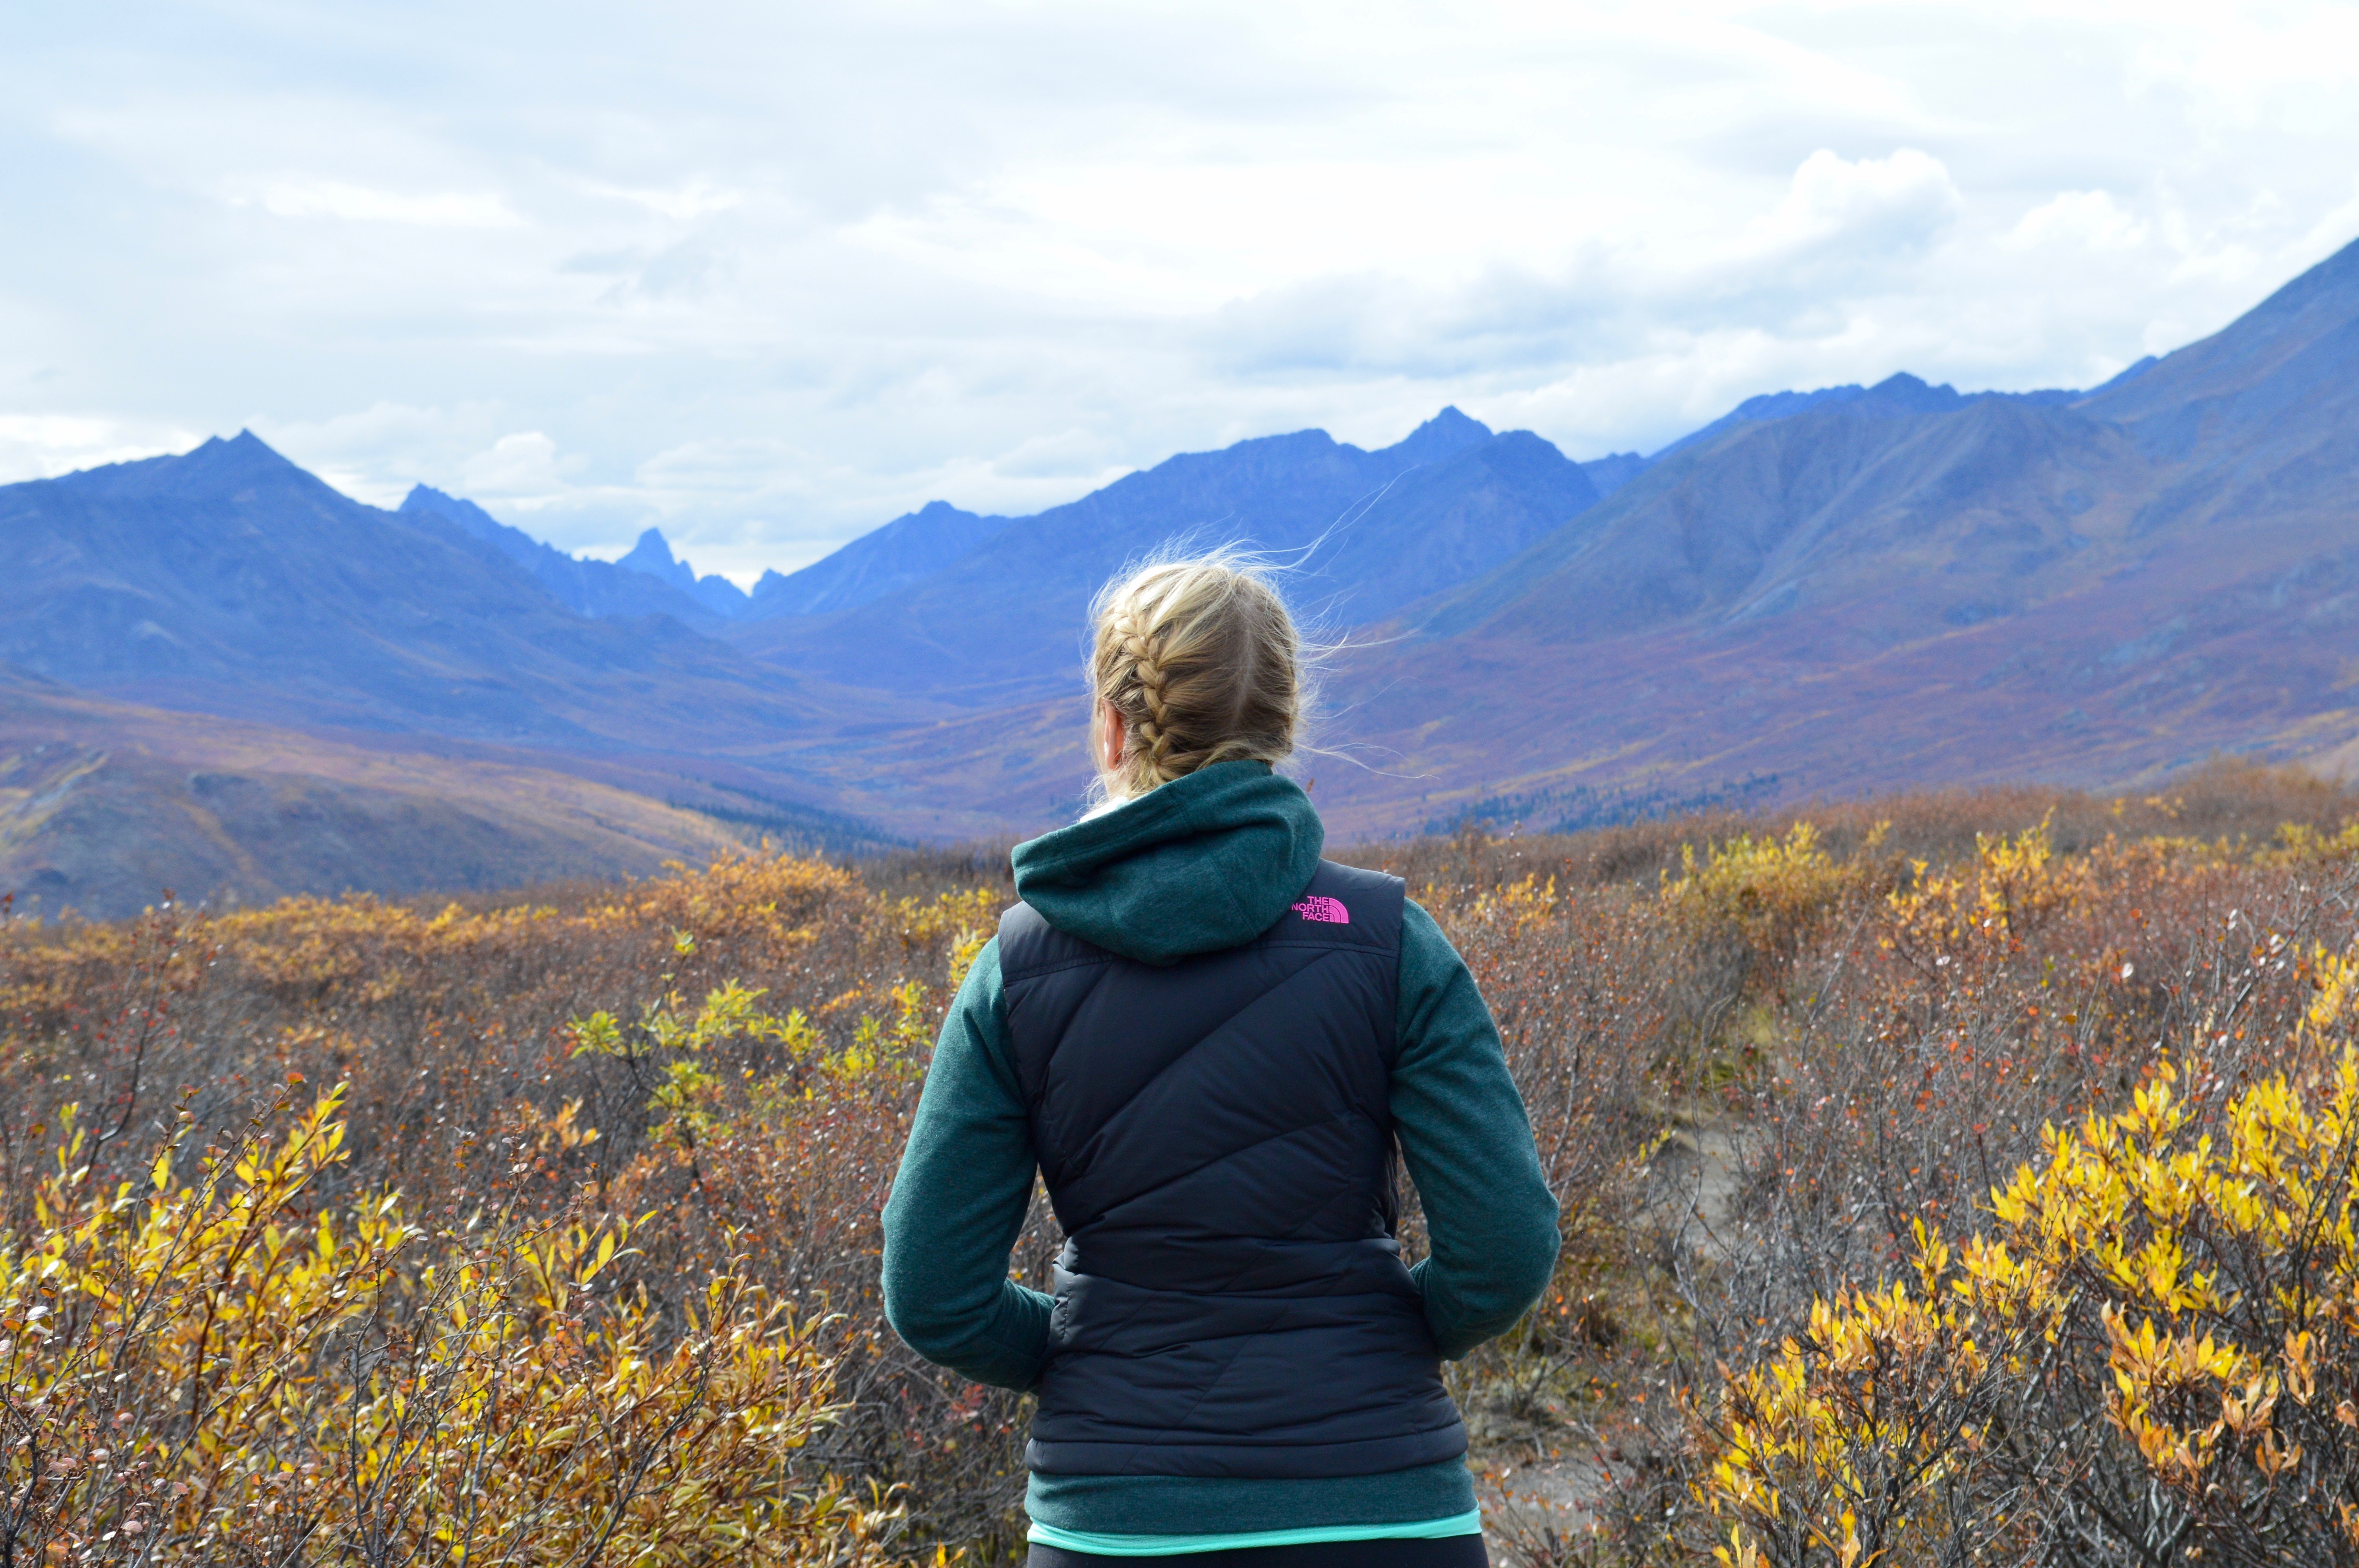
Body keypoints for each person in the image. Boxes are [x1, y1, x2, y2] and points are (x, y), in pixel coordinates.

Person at [881, 553, 1561, 1566]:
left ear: (1112, 727)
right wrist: (1384, 1337)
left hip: (1117, 1521)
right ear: (1285, 727)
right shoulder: (1390, 941)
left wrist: (1084, 1352)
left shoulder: (1015, 969)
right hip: (1387, 1503)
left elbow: (934, 1294)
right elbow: (1504, 1248)